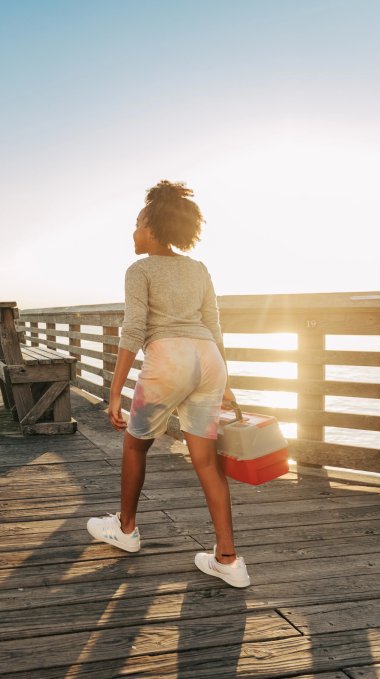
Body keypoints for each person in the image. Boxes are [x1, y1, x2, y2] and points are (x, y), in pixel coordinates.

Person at [85, 181, 250, 588]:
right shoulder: (198, 269)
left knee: (135, 445)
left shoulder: (139, 270)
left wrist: (114, 391)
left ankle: (125, 530)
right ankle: (228, 559)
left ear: (154, 228)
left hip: (169, 361)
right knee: (207, 460)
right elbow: (214, 326)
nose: (134, 231)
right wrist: (225, 381)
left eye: (138, 223)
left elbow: (134, 330)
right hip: (208, 359)